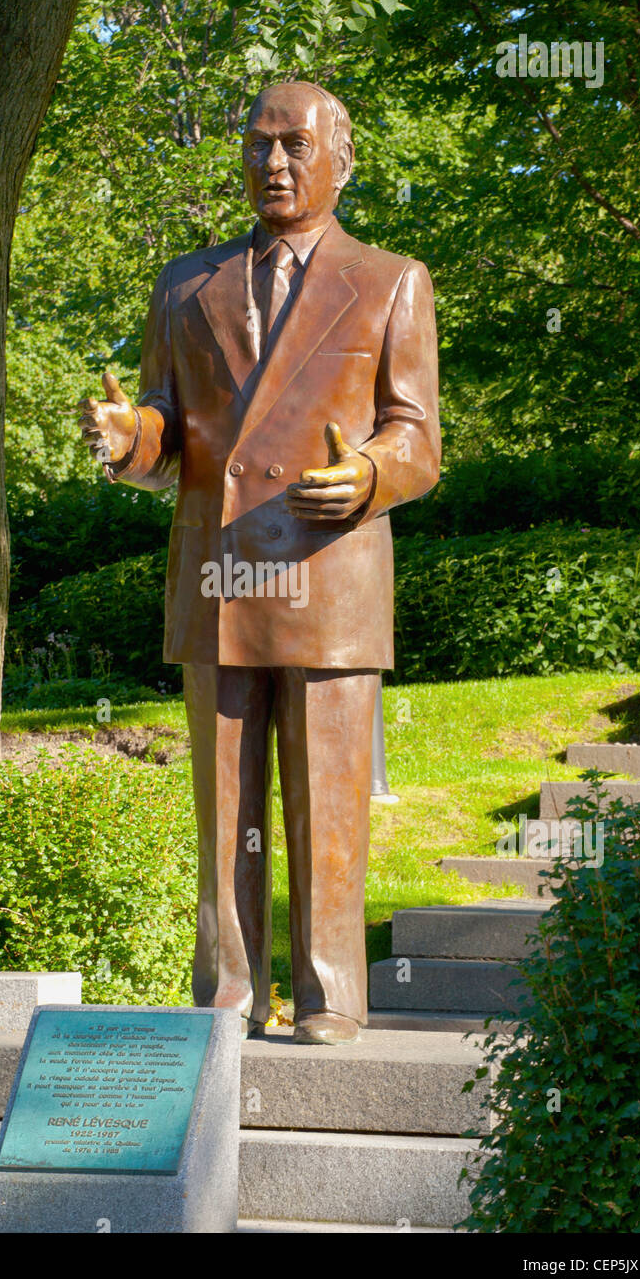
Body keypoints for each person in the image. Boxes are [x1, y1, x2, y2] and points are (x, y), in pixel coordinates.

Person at [79, 81, 440, 1044]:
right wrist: (128, 440)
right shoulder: (185, 285)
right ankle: (228, 993)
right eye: (257, 145)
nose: (273, 164)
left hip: (329, 573)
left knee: (325, 802)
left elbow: (418, 436)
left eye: (294, 146)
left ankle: (330, 996)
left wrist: (367, 474)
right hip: (220, 574)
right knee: (223, 806)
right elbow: (167, 429)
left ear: (341, 159)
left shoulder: (391, 280)